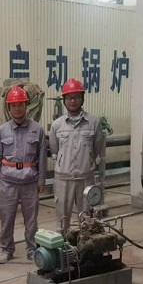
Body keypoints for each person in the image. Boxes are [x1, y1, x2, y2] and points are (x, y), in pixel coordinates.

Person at [0, 87, 47, 264]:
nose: (17, 108)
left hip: (30, 181)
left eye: (20, 104)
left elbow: (42, 157)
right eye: (13, 105)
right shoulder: (2, 131)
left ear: (26, 105)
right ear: (9, 108)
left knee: (31, 220)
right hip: (7, 182)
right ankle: (6, 249)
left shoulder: (37, 129)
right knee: (6, 218)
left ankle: (32, 249)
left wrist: (41, 180)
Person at [49, 78, 105, 234]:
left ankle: (86, 247)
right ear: (64, 100)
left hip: (86, 178)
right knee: (62, 221)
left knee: (87, 221)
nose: (72, 101)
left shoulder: (94, 123)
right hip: (63, 179)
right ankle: (63, 246)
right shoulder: (57, 125)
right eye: (69, 97)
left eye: (76, 97)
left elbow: (97, 148)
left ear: (82, 98)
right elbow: (55, 149)